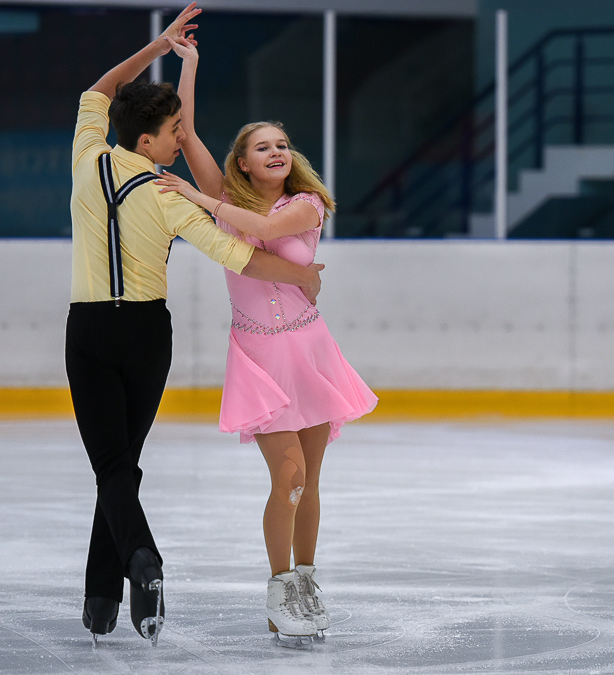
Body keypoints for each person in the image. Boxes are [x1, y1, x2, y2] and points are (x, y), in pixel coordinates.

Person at [66, 3, 324, 648]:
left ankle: (120, 580)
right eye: (174, 132)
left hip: (89, 329)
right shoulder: (169, 195)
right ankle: (116, 583)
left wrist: (156, 49)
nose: (182, 139)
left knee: (112, 466)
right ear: (152, 140)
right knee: (121, 464)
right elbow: (239, 253)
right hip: (148, 336)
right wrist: (303, 276)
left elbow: (98, 92)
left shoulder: (87, 157)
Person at [156, 34, 378, 646]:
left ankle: (307, 579)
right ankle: (281, 587)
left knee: (311, 479)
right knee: (289, 475)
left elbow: (259, 228)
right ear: (244, 163)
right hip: (258, 356)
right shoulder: (228, 196)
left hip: (309, 352)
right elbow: (189, 134)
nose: (276, 151)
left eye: (282, 144)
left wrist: (199, 199)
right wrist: (191, 64)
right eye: (262, 147)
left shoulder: (307, 205)